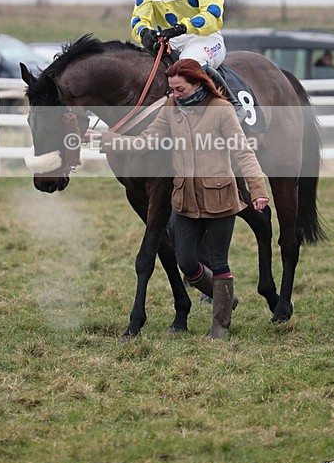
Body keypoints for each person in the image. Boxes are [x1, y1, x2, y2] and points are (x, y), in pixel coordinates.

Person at [85, 59, 269, 339]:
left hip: (219, 197)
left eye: (179, 88)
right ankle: (225, 298)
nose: (174, 94)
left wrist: (258, 191)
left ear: (197, 83)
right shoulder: (171, 108)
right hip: (184, 199)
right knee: (186, 262)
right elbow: (145, 142)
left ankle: (220, 325)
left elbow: (243, 152)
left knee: (219, 262)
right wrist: (105, 140)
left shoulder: (221, 110)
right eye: (171, 89)